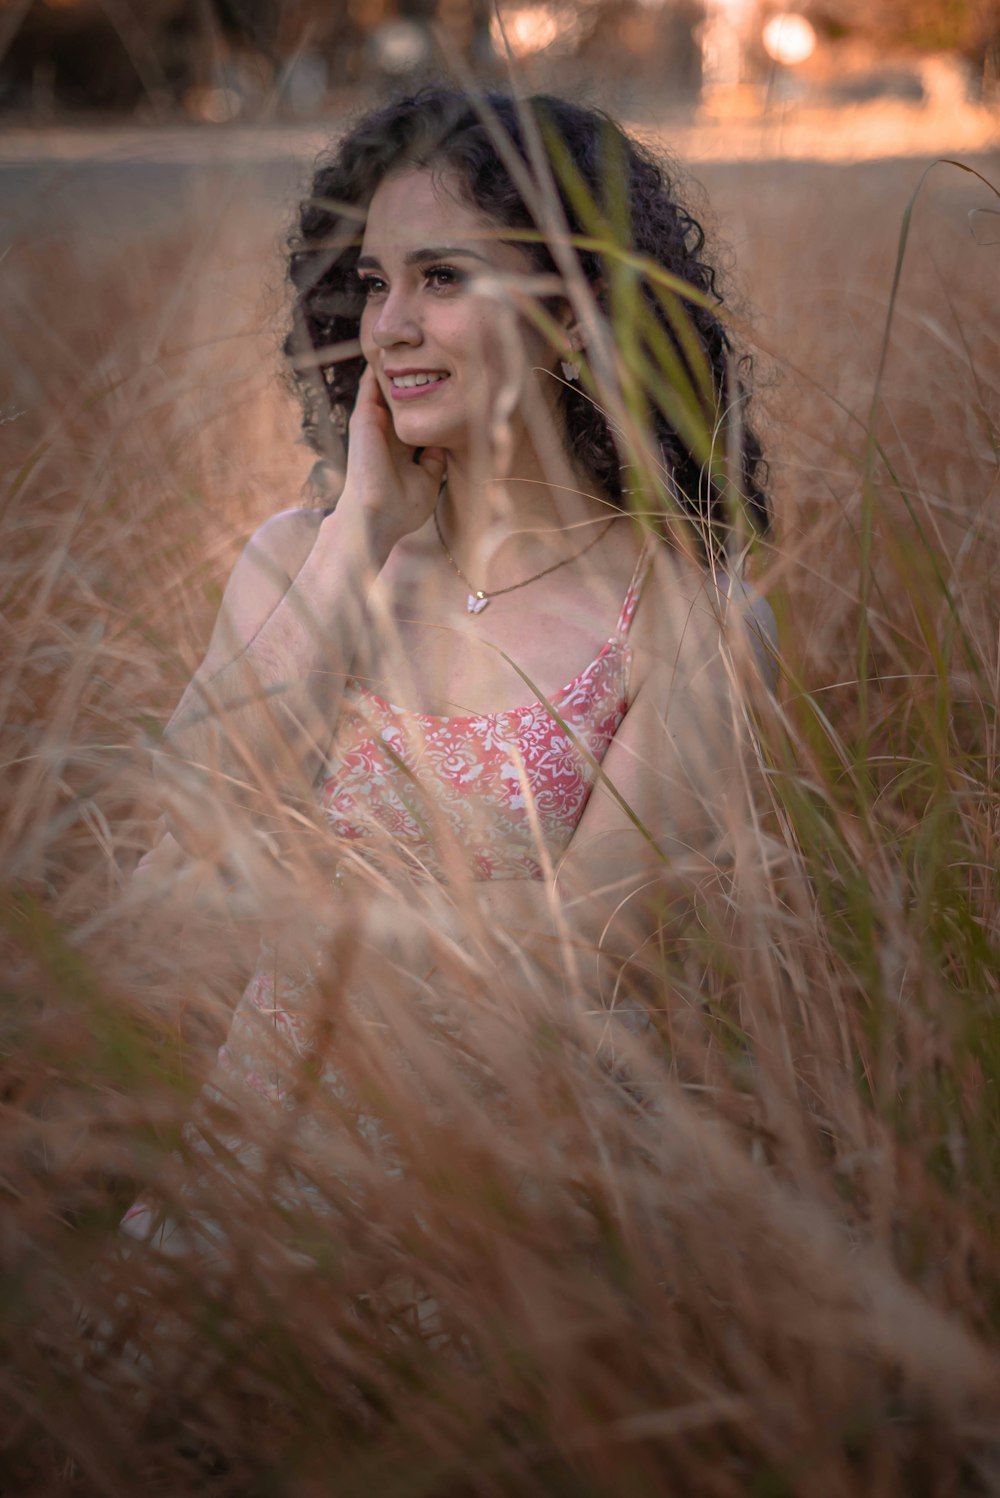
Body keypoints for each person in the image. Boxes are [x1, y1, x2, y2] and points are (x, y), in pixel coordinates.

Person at [125, 87, 776, 1257]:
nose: (388, 326)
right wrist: (357, 534)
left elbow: (573, 967)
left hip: (510, 1220)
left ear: (577, 310)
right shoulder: (299, 558)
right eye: (375, 283)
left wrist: (272, 911)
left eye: (443, 277)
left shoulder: (684, 618)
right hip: (247, 1181)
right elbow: (171, 852)